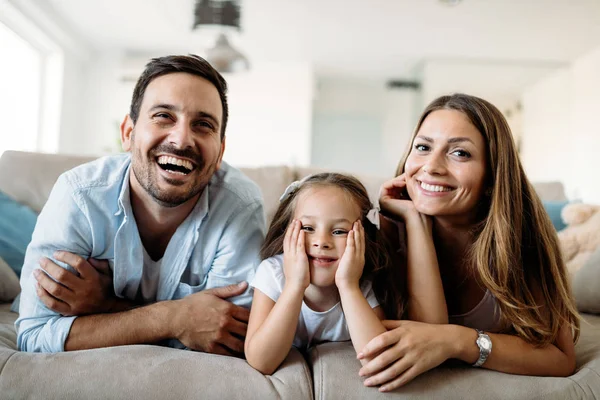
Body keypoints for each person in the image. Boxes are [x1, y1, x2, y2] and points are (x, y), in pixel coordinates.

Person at [16, 55, 266, 355]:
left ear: (220, 150)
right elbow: (35, 334)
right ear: (128, 133)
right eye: (163, 116)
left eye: (203, 124)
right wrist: (173, 318)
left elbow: (224, 337)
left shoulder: (240, 207)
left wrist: (105, 305)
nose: (182, 139)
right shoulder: (79, 195)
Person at [356, 93, 581, 392]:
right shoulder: (384, 234)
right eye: (422, 147)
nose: (431, 166)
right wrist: (416, 223)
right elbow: (425, 330)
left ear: (492, 176)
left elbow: (561, 358)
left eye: (460, 153)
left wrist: (459, 340)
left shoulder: (518, 239)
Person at [245, 173, 404, 374]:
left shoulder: (362, 282)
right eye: (308, 228)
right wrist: (295, 285)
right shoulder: (273, 273)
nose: (321, 241)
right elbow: (262, 362)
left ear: (364, 237)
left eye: (339, 231)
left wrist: (348, 286)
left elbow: (379, 360)